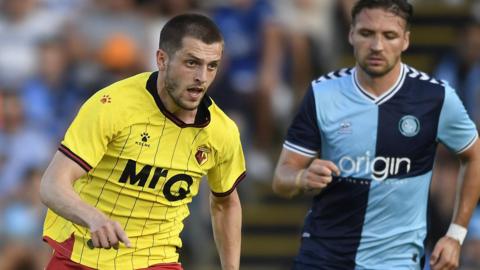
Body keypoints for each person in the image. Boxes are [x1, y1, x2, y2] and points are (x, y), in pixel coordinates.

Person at [272, 1, 480, 269]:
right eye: (366, 33)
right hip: (322, 257)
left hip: (396, 262)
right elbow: (282, 177)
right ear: (351, 35)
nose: (377, 46)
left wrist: (455, 235)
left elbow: (473, 156)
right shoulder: (322, 94)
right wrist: (302, 176)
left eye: (389, 35)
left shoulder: (436, 97)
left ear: (405, 40)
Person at [39, 13, 246, 270]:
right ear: (162, 59)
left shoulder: (221, 131)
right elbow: (52, 184)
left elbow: (226, 203)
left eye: (212, 65)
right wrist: (93, 218)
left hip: (156, 260)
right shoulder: (112, 106)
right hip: (82, 254)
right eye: (192, 63)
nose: (202, 77)